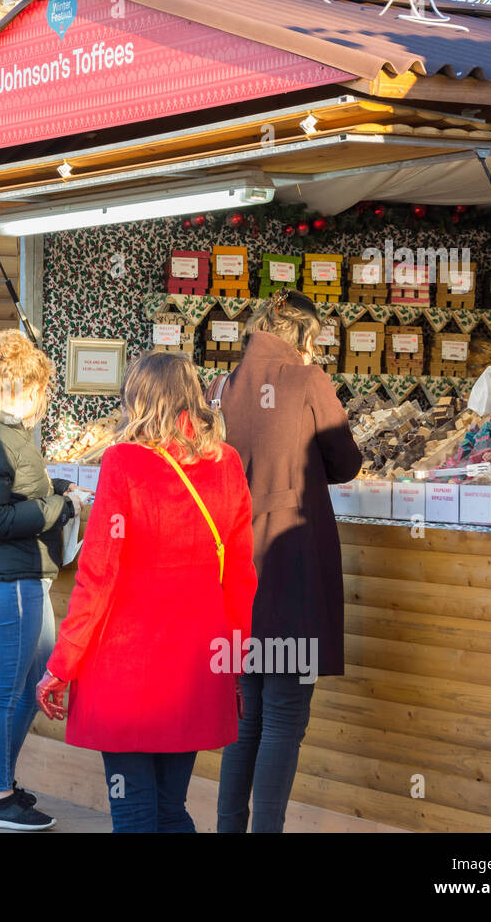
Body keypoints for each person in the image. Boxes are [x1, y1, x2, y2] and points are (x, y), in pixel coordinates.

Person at [36, 351, 257, 833]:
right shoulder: (227, 463)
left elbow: (98, 575)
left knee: (135, 812)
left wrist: (61, 665)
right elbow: (240, 576)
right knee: (170, 808)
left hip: (127, 670)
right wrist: (234, 663)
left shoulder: (124, 462)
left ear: (137, 400)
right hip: (198, 665)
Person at [212, 290, 363, 833]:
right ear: (304, 335)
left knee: (248, 717)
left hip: (237, 567)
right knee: (283, 718)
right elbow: (344, 461)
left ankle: (230, 827)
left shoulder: (224, 386)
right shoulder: (308, 380)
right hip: (292, 566)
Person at [0, 328, 85, 830]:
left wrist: (56, 487)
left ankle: (0, 783)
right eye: (41, 396)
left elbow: (17, 491)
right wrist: (60, 506)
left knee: (34, 680)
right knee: (6, 689)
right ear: (27, 389)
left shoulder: (6, 435)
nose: (41, 406)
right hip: (9, 579)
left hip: (26, 577)